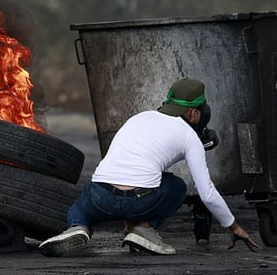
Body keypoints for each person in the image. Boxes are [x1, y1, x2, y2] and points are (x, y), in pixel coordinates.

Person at [38, 77, 260, 256]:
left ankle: (78, 226)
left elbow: (127, 169)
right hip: (139, 202)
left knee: (85, 200)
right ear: (194, 113)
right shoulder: (189, 137)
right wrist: (234, 226)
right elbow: (207, 192)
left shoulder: (138, 118)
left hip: (100, 198)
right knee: (176, 186)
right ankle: (143, 228)